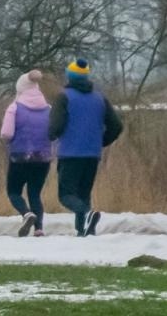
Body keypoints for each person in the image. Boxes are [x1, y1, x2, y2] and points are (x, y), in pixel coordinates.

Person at [50, 58, 124, 237]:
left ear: (70, 77)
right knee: (83, 194)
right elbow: (116, 125)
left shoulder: (64, 97)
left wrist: (50, 136)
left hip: (70, 152)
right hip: (92, 153)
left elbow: (56, 126)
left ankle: (88, 215)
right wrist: (101, 141)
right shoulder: (100, 98)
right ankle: (83, 230)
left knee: (66, 195)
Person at [0, 70, 53, 238]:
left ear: (20, 88)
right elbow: (54, 133)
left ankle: (26, 213)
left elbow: (6, 134)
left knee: (14, 191)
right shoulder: (49, 109)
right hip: (43, 157)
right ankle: (39, 229)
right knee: (35, 193)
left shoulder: (14, 107)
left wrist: (10, 142)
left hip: (20, 155)